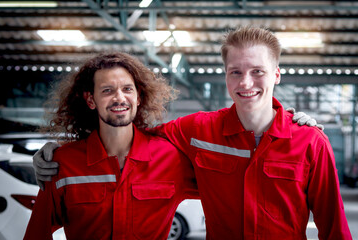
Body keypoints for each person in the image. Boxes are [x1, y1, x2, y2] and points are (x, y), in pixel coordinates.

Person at [33, 27, 350, 239]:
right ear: (225, 76)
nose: (246, 82)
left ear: (277, 75)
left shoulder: (310, 142)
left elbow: (335, 229)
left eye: (258, 72)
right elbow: (132, 137)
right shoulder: (198, 131)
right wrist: (54, 150)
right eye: (235, 72)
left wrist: (299, 121)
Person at [24, 52, 198, 240]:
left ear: (138, 97)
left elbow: (225, 192)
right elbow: (37, 233)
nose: (119, 98)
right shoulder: (63, 164)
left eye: (127, 89)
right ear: (91, 100)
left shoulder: (172, 159)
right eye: (107, 90)